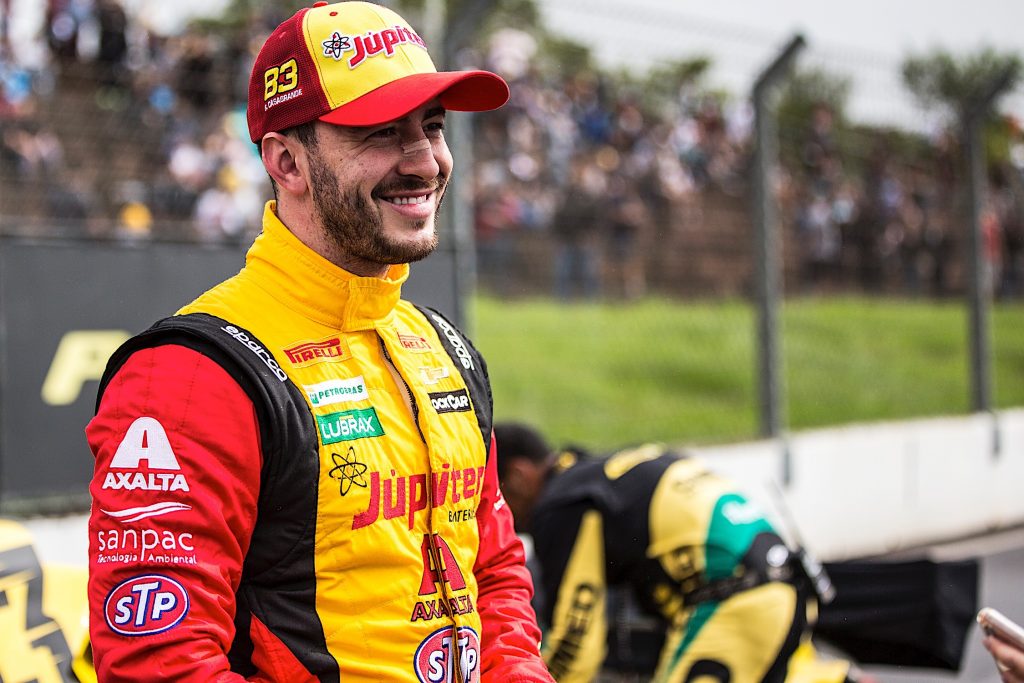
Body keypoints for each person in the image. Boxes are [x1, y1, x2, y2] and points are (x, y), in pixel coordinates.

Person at [85, 3, 552, 681]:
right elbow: (159, 661)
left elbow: (495, 574)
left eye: (432, 127)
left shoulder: (443, 347)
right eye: (383, 133)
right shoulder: (193, 373)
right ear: (287, 161)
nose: (425, 162)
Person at [493, 422, 863, 683]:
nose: (499, 513)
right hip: (783, 585)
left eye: (497, 494)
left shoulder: (564, 505)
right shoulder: (601, 476)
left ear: (519, 476)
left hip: (734, 602)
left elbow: (576, 640)